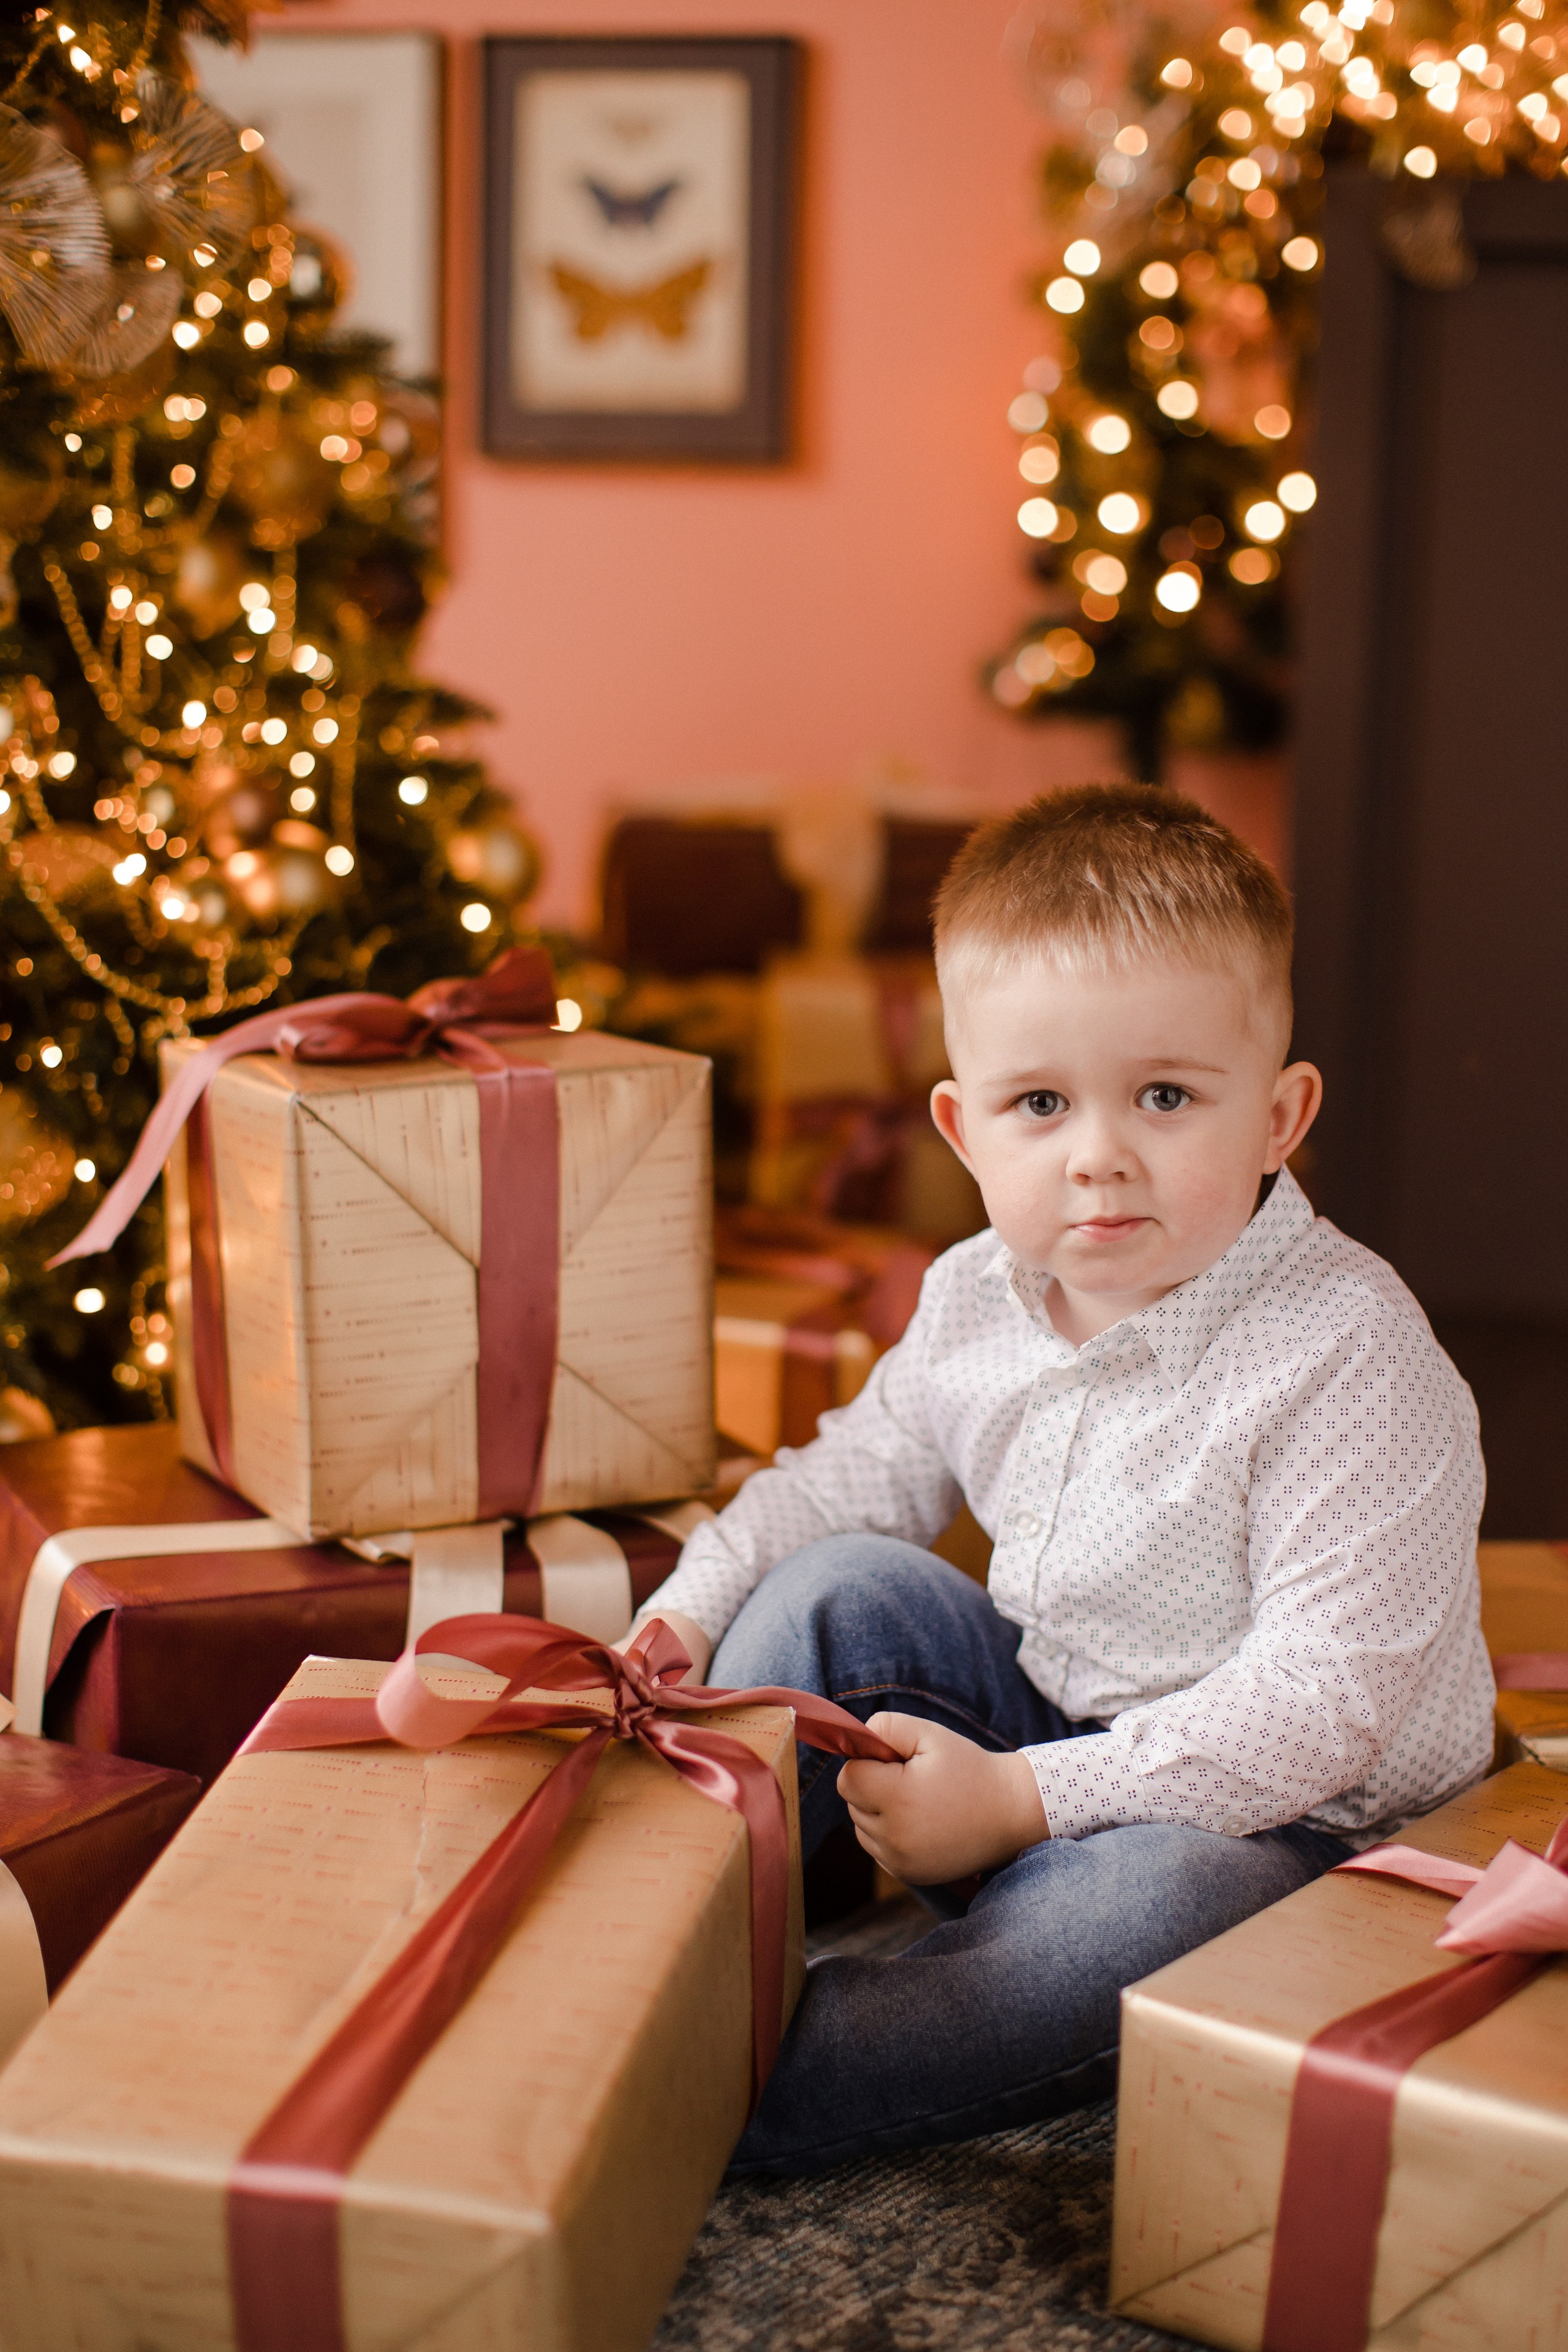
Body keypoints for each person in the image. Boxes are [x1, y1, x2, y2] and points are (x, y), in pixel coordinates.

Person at [634, 783, 1491, 2176]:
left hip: (1290, 1835)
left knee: (1145, 1910)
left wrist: (1016, 1804)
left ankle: (717, 2091)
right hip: (1040, 1733)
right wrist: (688, 1606)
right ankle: (648, 1939)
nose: (1098, 1157)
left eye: (1166, 1096)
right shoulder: (976, 1293)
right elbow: (847, 1477)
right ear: (961, 1129)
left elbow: (1320, 1711)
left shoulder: (1348, 1353)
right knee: (834, 1586)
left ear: (1278, 1116)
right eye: (1039, 1103)